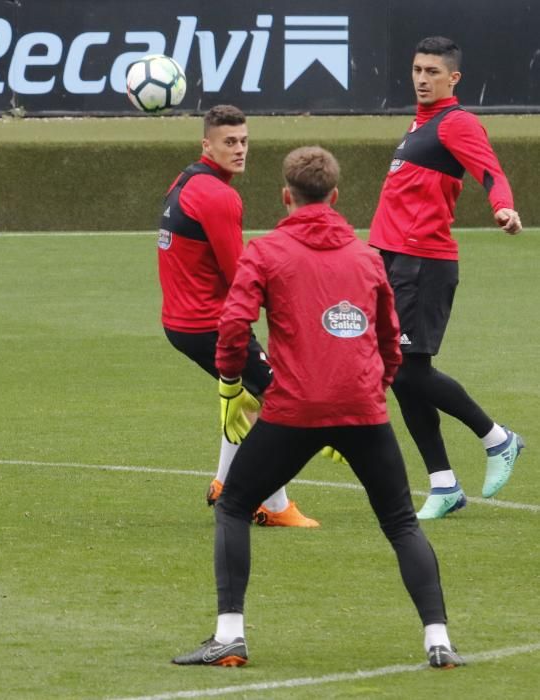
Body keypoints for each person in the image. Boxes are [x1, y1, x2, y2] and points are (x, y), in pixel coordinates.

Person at [172, 146, 463, 669]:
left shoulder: (266, 252)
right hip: (363, 409)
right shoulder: (366, 257)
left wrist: (232, 383)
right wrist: (375, 387)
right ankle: (438, 641)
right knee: (400, 523)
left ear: (286, 196)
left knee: (235, 505)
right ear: (336, 196)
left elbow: (235, 325)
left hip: (293, 410)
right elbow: (390, 339)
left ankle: (230, 636)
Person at [369, 37, 524, 520]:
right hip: (394, 261)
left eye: (432, 71)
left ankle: (498, 439)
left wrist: (503, 207)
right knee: (400, 375)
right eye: (417, 68)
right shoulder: (419, 124)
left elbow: (491, 172)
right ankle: (444, 485)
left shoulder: (457, 122)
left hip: (424, 263)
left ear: (452, 78)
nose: (421, 77)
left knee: (412, 370)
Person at [157, 104, 317, 527]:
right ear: (206, 144)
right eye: (229, 142)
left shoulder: (188, 178)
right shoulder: (219, 196)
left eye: (244, 141)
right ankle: (272, 504)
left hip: (185, 322)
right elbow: (240, 273)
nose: (240, 149)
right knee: (281, 400)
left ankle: (227, 482)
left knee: (245, 398)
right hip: (210, 324)